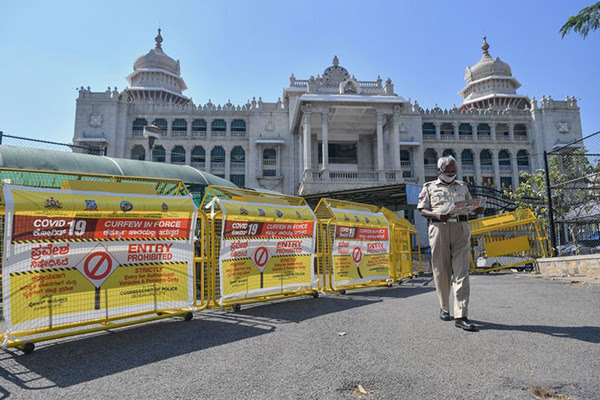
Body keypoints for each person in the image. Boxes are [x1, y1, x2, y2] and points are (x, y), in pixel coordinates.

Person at [417, 156, 484, 332]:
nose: (451, 174)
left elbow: (470, 204)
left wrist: (477, 209)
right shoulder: (429, 187)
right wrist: (436, 215)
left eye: (453, 171)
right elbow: (422, 210)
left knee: (462, 271)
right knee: (441, 270)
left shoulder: (462, 186)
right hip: (439, 228)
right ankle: (444, 307)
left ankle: (461, 315)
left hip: (460, 227)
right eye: (447, 171)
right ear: (439, 170)